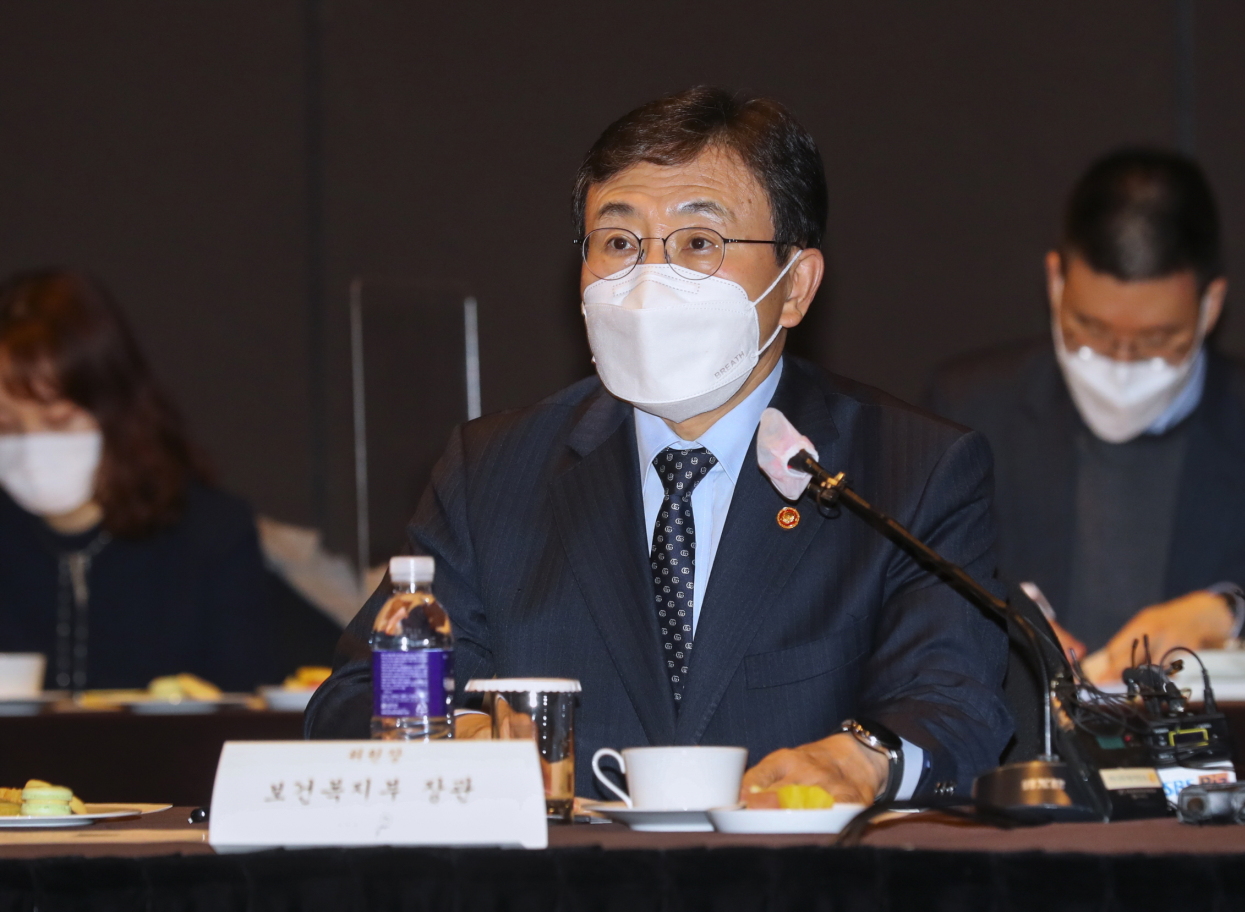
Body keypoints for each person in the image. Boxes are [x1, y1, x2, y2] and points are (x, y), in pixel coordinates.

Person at [307, 87, 1013, 804]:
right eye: (619, 244)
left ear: (795, 285)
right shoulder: (493, 469)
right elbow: (359, 694)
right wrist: (455, 735)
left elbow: (953, 701)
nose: (649, 279)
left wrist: (861, 760)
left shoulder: (907, 469)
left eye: (699, 244)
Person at [928, 148, 1245, 687]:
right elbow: (899, 598)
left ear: (1211, 305)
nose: (1121, 361)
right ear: (1055, 282)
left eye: (1156, 340)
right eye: (1090, 329)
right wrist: (999, 617)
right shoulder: (967, 411)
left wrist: (1229, 617)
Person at [0, 269, 277, 691]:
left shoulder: (210, 536)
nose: (33, 447)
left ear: (114, 407)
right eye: (6, 428)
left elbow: (246, 710)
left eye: (59, 422)